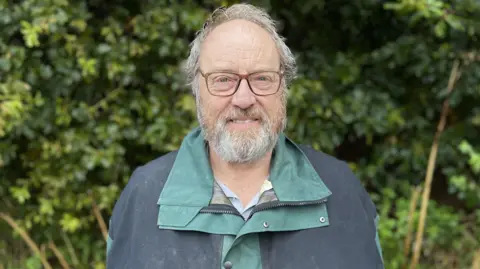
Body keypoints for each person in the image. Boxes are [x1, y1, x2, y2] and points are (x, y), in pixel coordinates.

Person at [106, 3, 384, 269]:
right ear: (196, 89)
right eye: (223, 79)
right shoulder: (143, 196)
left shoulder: (341, 192)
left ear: (283, 88)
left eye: (262, 78)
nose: (243, 98)